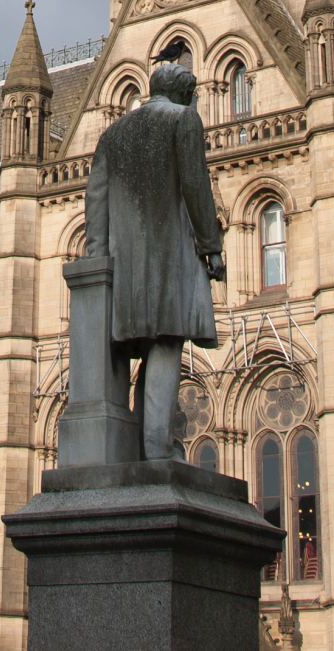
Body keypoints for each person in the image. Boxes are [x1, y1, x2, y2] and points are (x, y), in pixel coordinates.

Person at [84, 56, 226, 459]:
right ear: (184, 95)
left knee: (150, 348)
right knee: (165, 344)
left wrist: (97, 260)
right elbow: (196, 187)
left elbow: (95, 201)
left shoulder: (113, 134)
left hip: (125, 272)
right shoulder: (183, 121)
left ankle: (145, 446)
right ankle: (158, 449)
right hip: (169, 260)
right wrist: (210, 246)